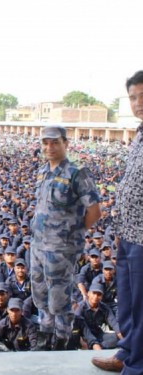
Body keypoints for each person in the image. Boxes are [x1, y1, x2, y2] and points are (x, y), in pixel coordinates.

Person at [31, 125, 101, 350]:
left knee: (59, 301)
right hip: (38, 246)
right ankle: (44, 337)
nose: (49, 147)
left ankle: (60, 342)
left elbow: (94, 211)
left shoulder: (76, 173)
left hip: (61, 249)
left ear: (65, 144)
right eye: (45, 143)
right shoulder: (43, 171)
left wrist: (74, 235)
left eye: (55, 142)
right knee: (40, 295)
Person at [92, 70, 143, 374]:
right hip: (129, 232)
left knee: (141, 306)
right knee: (127, 300)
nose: (138, 103)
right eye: (133, 97)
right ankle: (127, 353)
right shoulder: (139, 134)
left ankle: (137, 366)